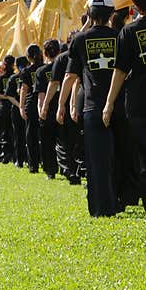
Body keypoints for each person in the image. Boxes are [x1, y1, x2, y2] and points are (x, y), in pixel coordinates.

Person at [57, 0, 127, 217]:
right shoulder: (120, 36)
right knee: (119, 154)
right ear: (111, 13)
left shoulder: (79, 40)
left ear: (89, 13)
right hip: (119, 103)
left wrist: (62, 105)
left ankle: (101, 207)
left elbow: (70, 76)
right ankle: (120, 200)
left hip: (93, 106)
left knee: (97, 159)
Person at [102, 0, 146, 223]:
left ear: (135, 4)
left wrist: (109, 103)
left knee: (145, 156)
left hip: (138, 100)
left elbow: (119, 71)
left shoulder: (129, 32)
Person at [47, 31, 84, 185]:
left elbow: (55, 83)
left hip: (66, 101)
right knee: (79, 138)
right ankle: (78, 168)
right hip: (81, 100)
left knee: (64, 139)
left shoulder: (62, 58)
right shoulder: (83, 54)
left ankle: (69, 169)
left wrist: (46, 105)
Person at [36, 39, 61, 179]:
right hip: (64, 107)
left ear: (45, 53)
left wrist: (42, 111)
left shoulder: (41, 71)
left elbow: (41, 94)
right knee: (65, 140)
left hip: (49, 109)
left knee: (47, 142)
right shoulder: (65, 66)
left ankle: (50, 171)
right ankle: (68, 168)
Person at [20, 45, 45, 174]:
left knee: (31, 135)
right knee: (45, 134)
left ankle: (33, 165)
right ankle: (46, 162)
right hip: (46, 102)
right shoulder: (44, 68)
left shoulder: (26, 71)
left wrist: (21, 106)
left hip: (31, 103)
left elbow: (24, 89)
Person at [6, 56, 29, 168]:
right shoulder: (31, 74)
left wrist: (20, 106)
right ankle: (29, 160)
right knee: (29, 135)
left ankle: (19, 160)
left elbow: (9, 96)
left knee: (18, 136)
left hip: (17, 109)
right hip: (30, 107)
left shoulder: (13, 78)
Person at [0, 55, 16, 162]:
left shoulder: (0, 78)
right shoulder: (16, 77)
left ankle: (6, 154)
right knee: (14, 131)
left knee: (5, 132)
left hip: (4, 108)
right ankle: (14, 154)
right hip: (15, 106)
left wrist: (5, 97)